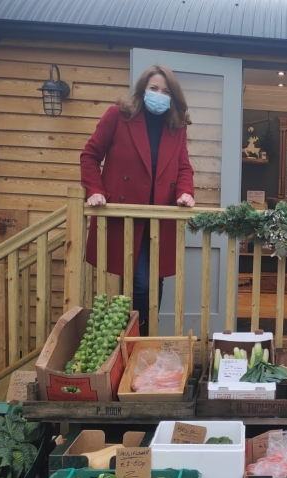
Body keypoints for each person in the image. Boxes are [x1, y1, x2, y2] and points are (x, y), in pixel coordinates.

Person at [81, 64, 195, 336]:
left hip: (160, 220)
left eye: (166, 91)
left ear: (173, 96)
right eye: (154, 88)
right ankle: (137, 339)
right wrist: (94, 190)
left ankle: (141, 338)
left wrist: (185, 192)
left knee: (155, 282)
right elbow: (90, 156)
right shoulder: (118, 116)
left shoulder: (176, 127)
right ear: (143, 89)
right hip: (125, 217)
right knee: (142, 284)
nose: (159, 94)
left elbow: (183, 168)